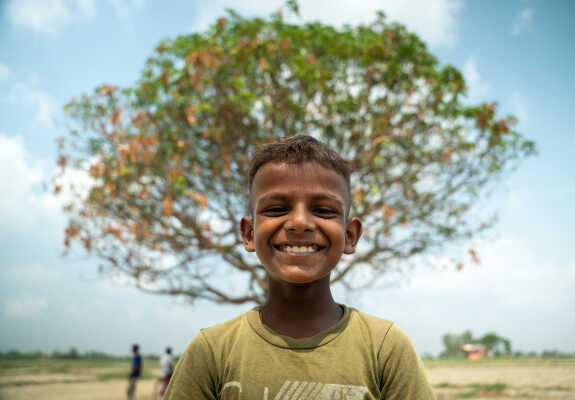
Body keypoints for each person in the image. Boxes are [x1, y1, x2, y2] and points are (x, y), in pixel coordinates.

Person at [165, 135, 435, 399]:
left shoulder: (384, 348)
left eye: (324, 210)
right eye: (276, 209)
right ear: (249, 233)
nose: (300, 222)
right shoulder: (213, 351)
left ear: (350, 236)